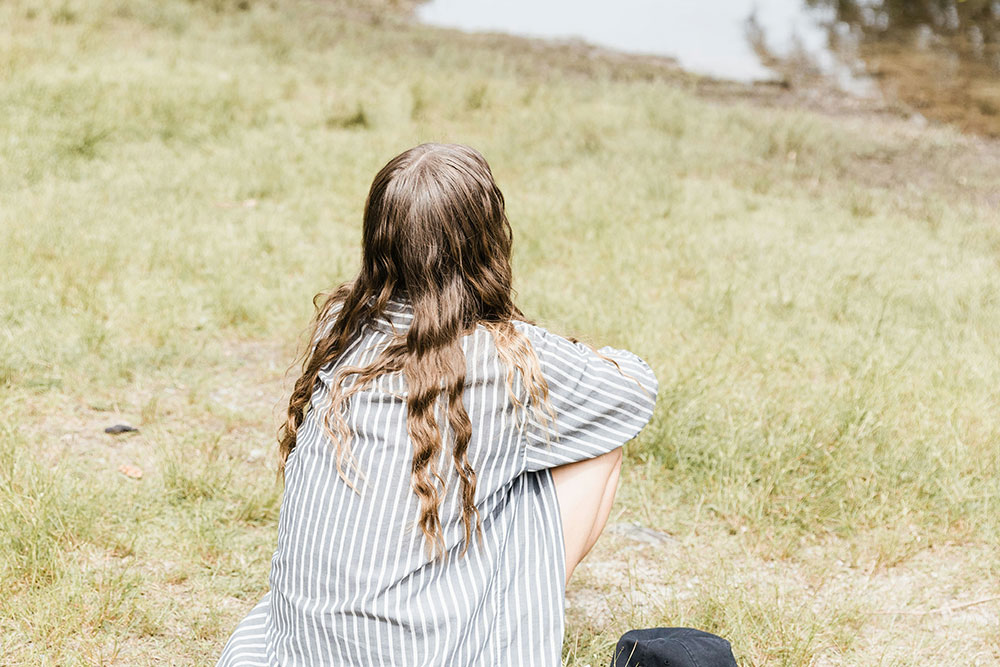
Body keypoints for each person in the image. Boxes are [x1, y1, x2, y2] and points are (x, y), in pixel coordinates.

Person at [217, 143, 658, 666]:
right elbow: (633, 391)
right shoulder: (505, 358)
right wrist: (572, 352)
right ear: (487, 240)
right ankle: (516, 615)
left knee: (523, 448)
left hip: (301, 649)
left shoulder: (342, 325)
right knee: (594, 444)